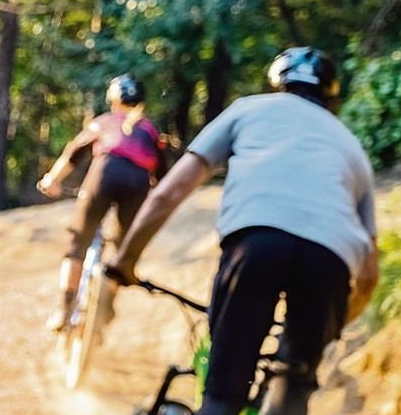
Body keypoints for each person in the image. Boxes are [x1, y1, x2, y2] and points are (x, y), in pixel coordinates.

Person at [104, 47, 379, 415]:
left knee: (223, 395)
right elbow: (369, 274)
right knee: (292, 392)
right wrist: (334, 322)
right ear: (331, 96)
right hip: (330, 262)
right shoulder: (352, 146)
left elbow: (168, 193)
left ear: (278, 82)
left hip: (256, 245)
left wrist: (125, 262)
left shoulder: (249, 109)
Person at [37, 74, 166, 332]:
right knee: (120, 253)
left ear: (113, 99)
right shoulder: (150, 131)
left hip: (104, 175)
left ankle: (65, 308)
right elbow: (161, 176)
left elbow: (72, 155)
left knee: (78, 242)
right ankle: (104, 310)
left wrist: (52, 179)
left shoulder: (104, 123)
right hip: (138, 185)